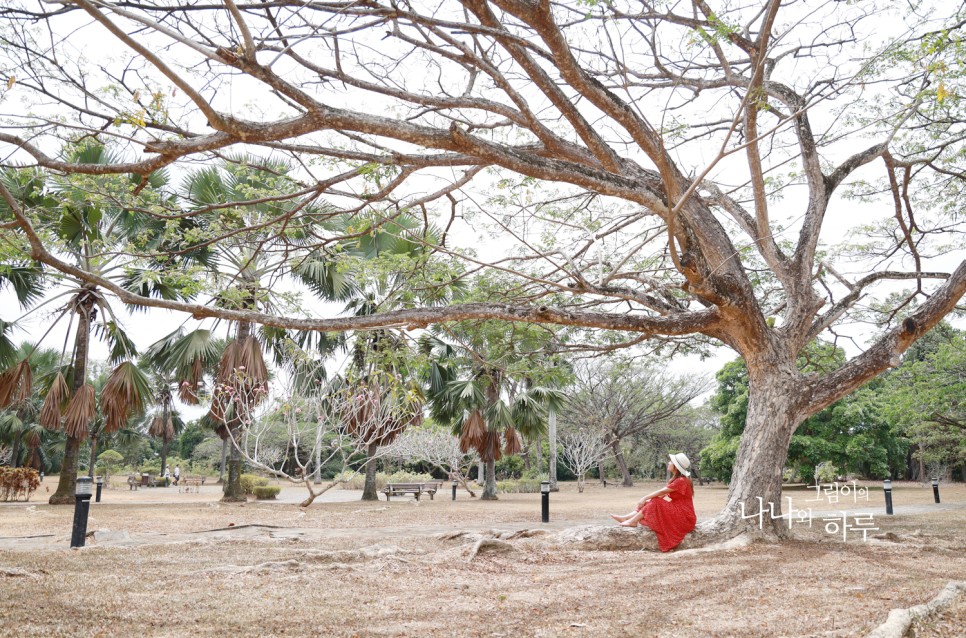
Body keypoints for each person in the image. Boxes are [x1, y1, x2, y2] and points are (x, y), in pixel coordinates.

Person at [610, 452, 696, 552]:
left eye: (671, 462)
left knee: (655, 501)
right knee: (655, 500)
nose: (668, 463)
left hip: (685, 517)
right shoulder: (677, 480)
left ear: (676, 466)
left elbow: (662, 492)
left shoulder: (681, 480)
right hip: (679, 511)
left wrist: (644, 498)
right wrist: (649, 500)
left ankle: (633, 521)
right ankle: (628, 518)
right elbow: (662, 495)